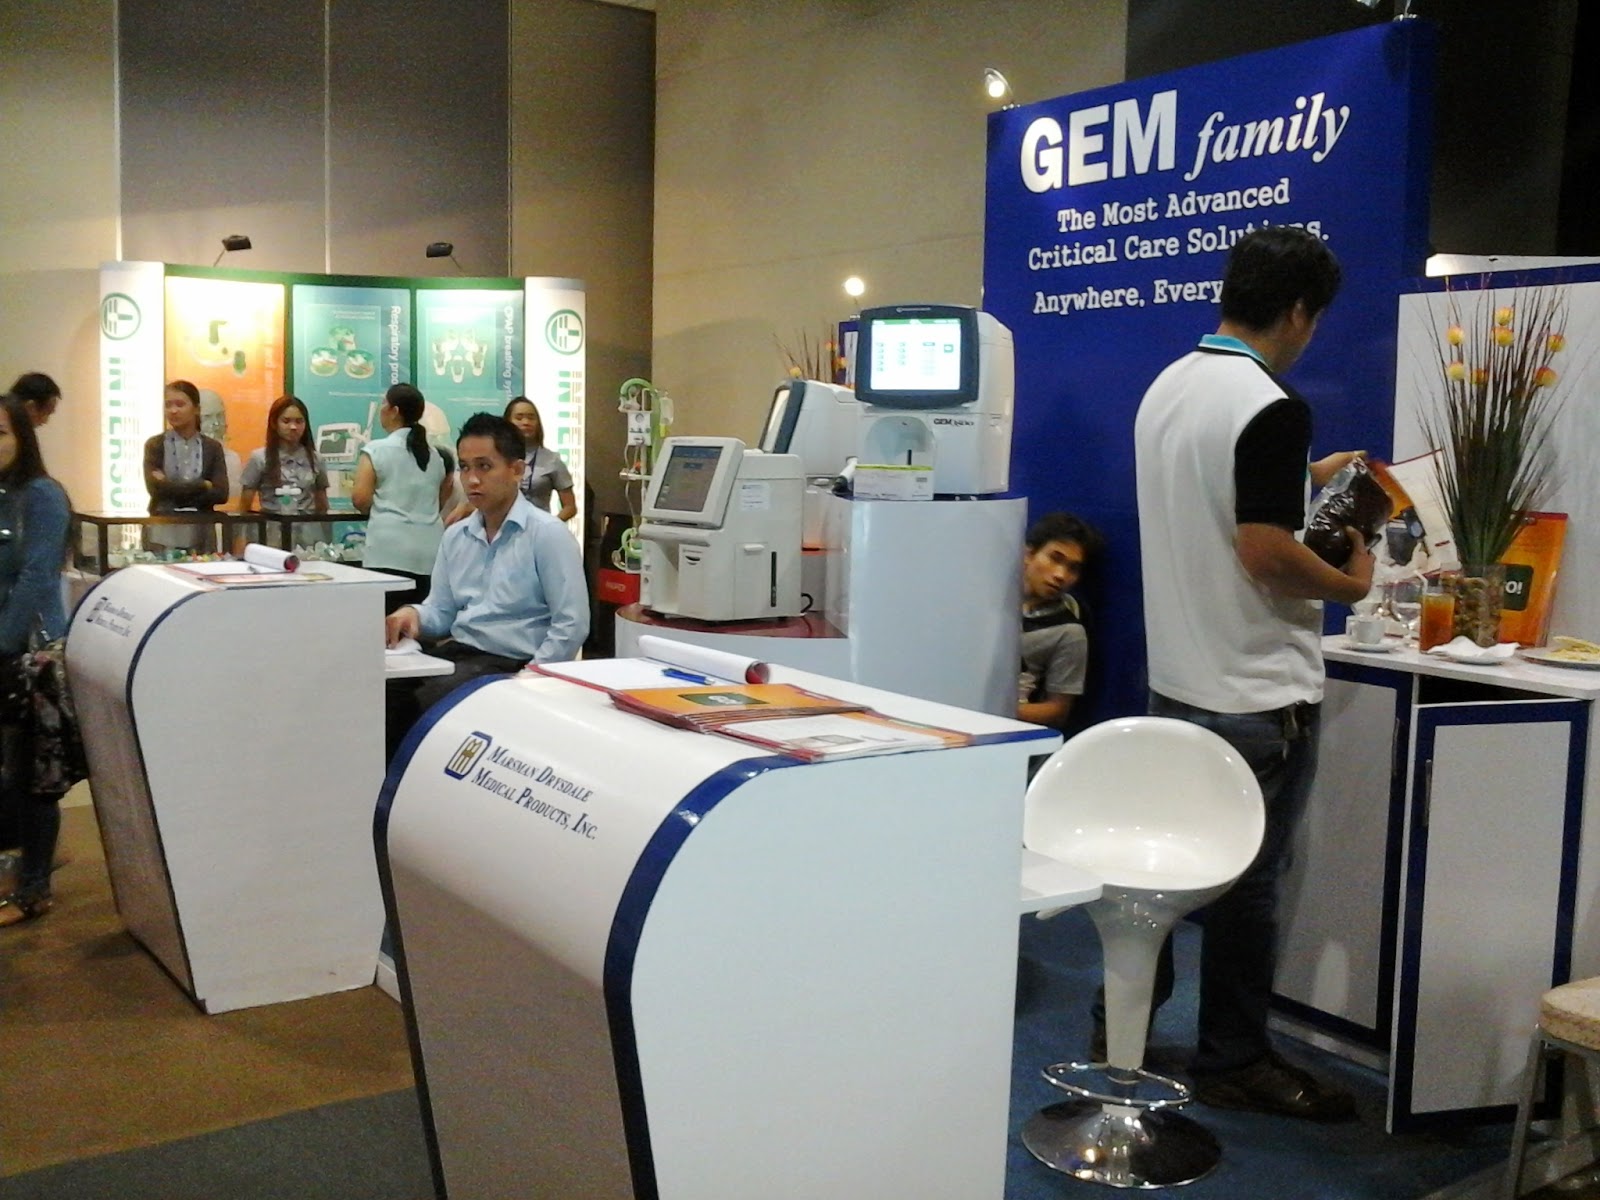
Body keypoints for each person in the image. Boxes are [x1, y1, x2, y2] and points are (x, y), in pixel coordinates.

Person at [1129, 226, 1372, 1120]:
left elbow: (1212, 488)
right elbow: (1266, 554)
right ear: (1300, 311)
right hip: (1257, 692)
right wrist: (1350, 583)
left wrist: (1306, 476)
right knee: (1248, 892)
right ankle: (1234, 1059)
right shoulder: (1272, 404)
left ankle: (1120, 1029)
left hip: (1178, 682)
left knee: (1158, 875)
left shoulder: (1170, 385)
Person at [384, 412, 589, 760]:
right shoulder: (456, 535)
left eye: (484, 466)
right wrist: (412, 615)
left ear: (516, 470)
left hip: (513, 662)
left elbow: (571, 624)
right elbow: (442, 611)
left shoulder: (546, 534)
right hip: (460, 653)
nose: (472, 479)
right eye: (465, 468)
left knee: (419, 708)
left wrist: (532, 676)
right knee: (379, 693)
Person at [0, 394, 71, 926]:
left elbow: (36, 576)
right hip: (6, 648)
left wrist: (3, 643)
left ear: (22, 437)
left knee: (33, 774)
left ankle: (34, 888)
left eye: (1, 433)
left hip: (30, 653)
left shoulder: (42, 495)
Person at [352, 383, 454, 613]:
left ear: (395, 411)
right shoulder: (435, 456)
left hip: (388, 552)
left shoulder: (376, 450)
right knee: (420, 620)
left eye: (384, 404)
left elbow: (360, 498)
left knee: (388, 623)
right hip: (430, 553)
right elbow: (440, 498)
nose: (381, 409)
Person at [1018, 512, 1102, 734]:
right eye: (1055, 558)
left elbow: (1057, 712)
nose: (1060, 575)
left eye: (1073, 568)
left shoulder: (1069, 633)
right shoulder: (986, 602)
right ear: (1028, 554)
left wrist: (989, 710)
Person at [446, 396, 575, 526]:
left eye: (531, 417)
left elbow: (570, 506)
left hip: (538, 528)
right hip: (495, 526)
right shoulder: (489, 456)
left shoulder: (552, 460)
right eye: (519, 417)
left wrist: (548, 526)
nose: (526, 422)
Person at [143, 380, 230, 552]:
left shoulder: (212, 447)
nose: (173, 410)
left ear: (196, 409)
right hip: (162, 529)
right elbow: (155, 490)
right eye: (168, 405)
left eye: (180, 404)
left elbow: (221, 493)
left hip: (201, 529)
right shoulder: (155, 445)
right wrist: (202, 485)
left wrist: (170, 485)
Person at [239, 394, 329, 517]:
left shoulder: (316, 459)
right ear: (274, 423)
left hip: (307, 527)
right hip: (272, 526)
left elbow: (322, 505)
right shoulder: (259, 458)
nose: (293, 427)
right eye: (286, 421)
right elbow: (244, 506)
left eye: (299, 421)